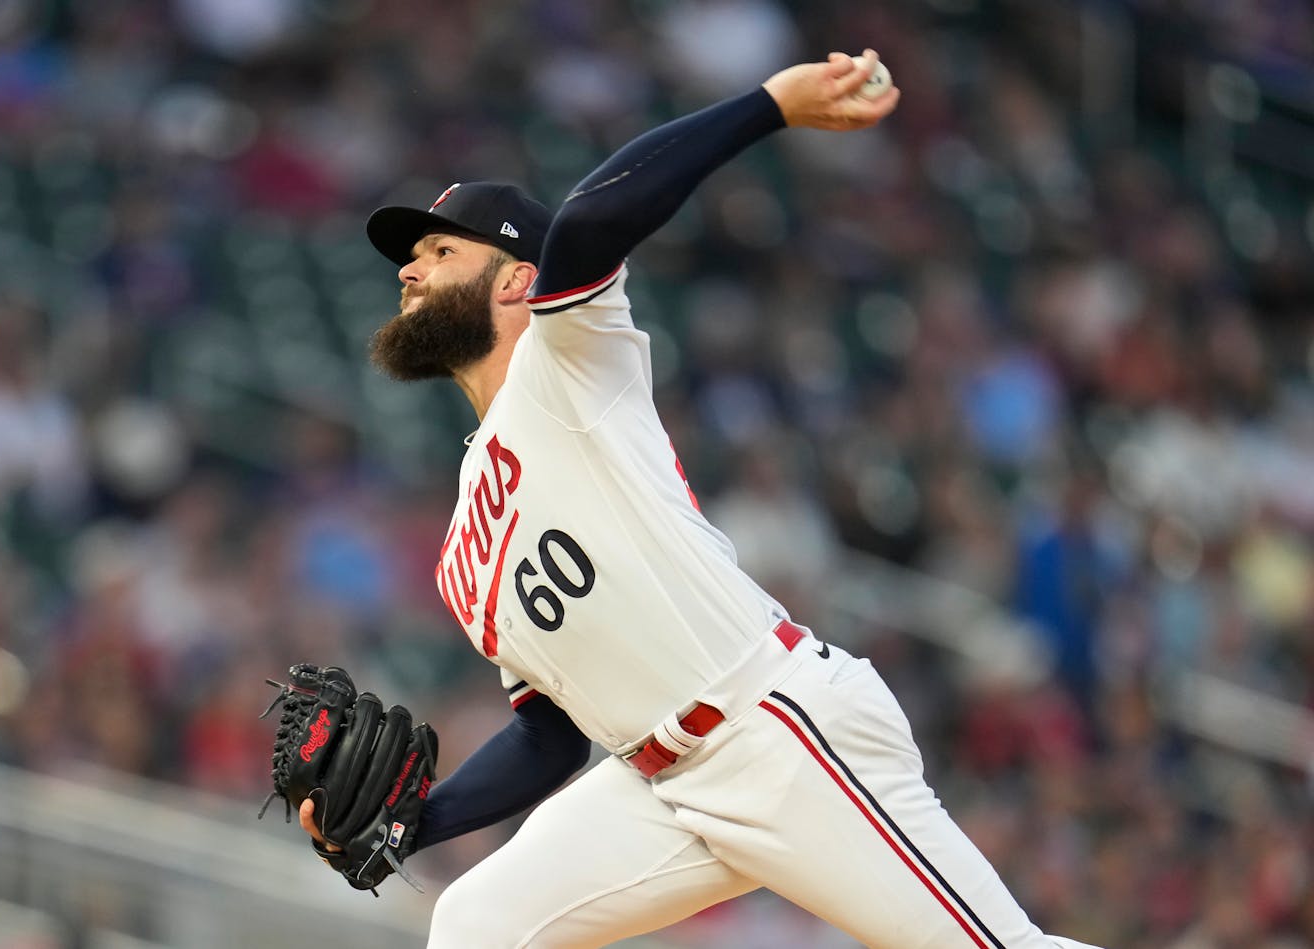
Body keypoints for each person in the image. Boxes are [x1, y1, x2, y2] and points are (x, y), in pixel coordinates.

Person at [302, 50, 1102, 949]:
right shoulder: (463, 550)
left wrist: (769, 106)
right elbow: (550, 736)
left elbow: (593, 220)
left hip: (775, 729)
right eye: (412, 257)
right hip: (660, 786)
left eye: (441, 251)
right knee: (478, 923)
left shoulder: (566, 364)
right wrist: (416, 821)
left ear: (518, 278)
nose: (410, 271)